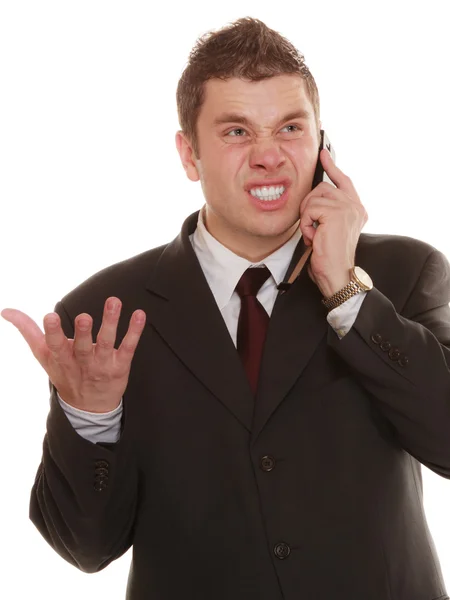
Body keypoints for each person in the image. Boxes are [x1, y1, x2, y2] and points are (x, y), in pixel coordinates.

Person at [2, 16, 450, 600]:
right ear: (189, 155)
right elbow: (86, 548)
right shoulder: (103, 314)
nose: (269, 156)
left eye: (290, 128)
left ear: (323, 145)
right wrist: (91, 417)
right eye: (237, 132)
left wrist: (347, 293)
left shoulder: (402, 273)